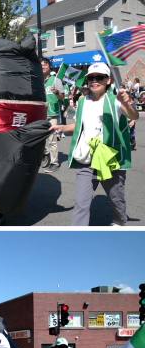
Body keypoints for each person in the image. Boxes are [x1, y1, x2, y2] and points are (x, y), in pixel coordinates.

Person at [51, 62, 137, 226]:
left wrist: (126, 103)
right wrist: (61, 128)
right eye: (91, 77)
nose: (94, 81)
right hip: (87, 161)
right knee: (81, 204)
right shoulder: (83, 102)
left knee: (116, 200)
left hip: (110, 160)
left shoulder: (115, 99)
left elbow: (134, 116)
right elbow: (78, 126)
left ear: (108, 80)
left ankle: (119, 221)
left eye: (100, 77)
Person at [41, 58, 65, 173]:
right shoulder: (38, 81)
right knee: (40, 139)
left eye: (45, 65)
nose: (43, 67)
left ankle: (54, 162)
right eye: (40, 65)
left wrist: (56, 92)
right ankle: (45, 154)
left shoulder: (56, 80)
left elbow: (62, 97)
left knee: (52, 140)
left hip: (52, 115)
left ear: (49, 66)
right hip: (40, 114)